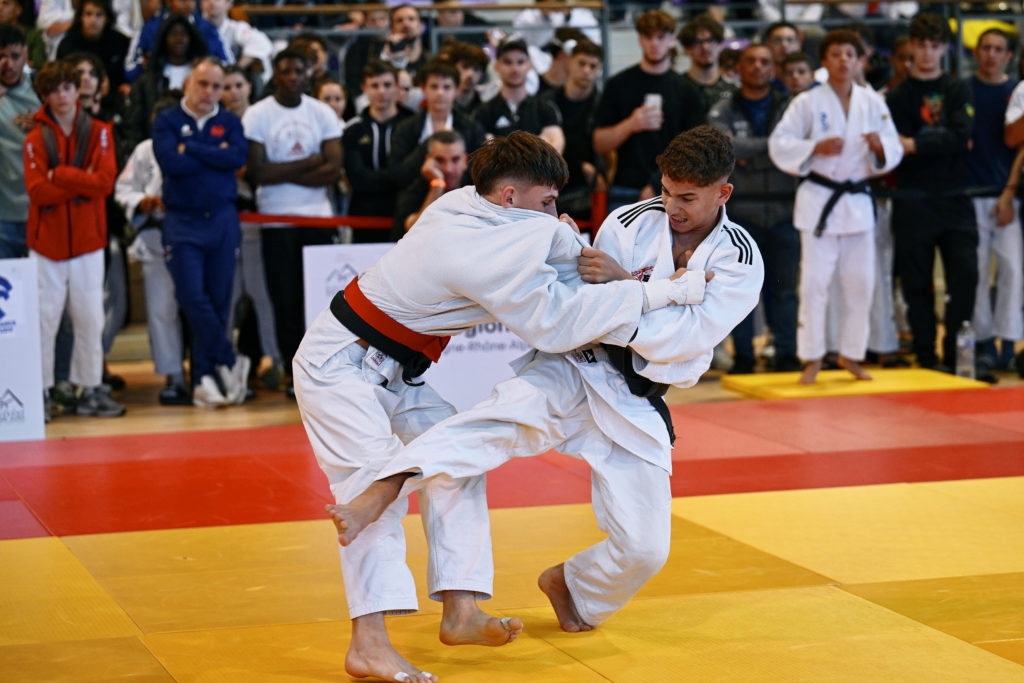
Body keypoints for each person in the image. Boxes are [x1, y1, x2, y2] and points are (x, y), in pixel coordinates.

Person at [292, 130, 707, 683]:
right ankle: (368, 645)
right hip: (338, 366)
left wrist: (563, 239)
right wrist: (665, 290)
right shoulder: (474, 242)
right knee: (369, 494)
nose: (554, 213)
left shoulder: (470, 205)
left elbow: (554, 257)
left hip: (397, 370)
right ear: (510, 196)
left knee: (457, 465)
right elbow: (556, 323)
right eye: (547, 201)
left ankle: (460, 610)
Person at [769, 29, 903, 383]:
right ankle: (813, 356)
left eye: (850, 54)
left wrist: (879, 147)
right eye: (836, 54)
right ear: (824, 61)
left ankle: (851, 353)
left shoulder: (872, 102)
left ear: (859, 61)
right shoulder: (807, 102)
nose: (844, 60)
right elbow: (779, 143)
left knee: (861, 283)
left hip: (856, 202)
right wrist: (814, 147)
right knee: (815, 284)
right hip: (820, 202)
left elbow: (893, 146)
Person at [24, 59, 123, 419]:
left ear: (77, 90)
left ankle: (91, 388)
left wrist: (62, 174)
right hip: (46, 244)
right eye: (53, 90)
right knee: (44, 319)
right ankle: (40, 392)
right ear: (44, 96)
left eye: (67, 88)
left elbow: (105, 183)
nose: (62, 96)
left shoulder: (99, 131)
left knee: (90, 318)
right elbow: (38, 192)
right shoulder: (35, 138)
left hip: (87, 241)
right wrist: (82, 182)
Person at [242, 48, 342, 396]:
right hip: (275, 220)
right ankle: (291, 371)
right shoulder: (258, 114)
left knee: (318, 301)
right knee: (283, 299)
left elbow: (333, 169)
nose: (292, 77)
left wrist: (281, 172)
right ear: (276, 75)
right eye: (285, 71)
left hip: (317, 218)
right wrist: (309, 162)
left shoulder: (321, 112)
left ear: (307, 75)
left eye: (298, 71)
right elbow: (256, 172)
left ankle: (322, 370)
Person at [152, 56, 249, 406]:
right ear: (188, 84)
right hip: (183, 222)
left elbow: (236, 159)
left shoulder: (229, 121)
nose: (209, 92)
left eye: (217, 86)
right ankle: (229, 360)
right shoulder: (166, 120)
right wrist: (213, 155)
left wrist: (191, 148)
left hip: (222, 220)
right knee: (192, 298)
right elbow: (170, 163)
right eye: (203, 84)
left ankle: (205, 380)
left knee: (219, 301)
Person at [887, 12, 977, 372]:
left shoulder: (958, 89)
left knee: (965, 276)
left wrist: (915, 144)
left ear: (944, 48)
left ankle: (957, 357)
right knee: (916, 282)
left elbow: (961, 136)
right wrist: (930, 143)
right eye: (921, 45)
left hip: (955, 196)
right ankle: (925, 356)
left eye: (934, 45)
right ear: (911, 46)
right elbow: (895, 145)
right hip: (913, 198)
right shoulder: (898, 95)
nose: (927, 52)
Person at [709, 43, 801, 374]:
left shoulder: (791, 107)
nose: (758, 67)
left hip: (785, 207)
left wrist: (749, 153)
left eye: (765, 61)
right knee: (741, 290)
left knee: (785, 289)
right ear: (739, 67)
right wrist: (775, 149)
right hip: (742, 211)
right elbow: (723, 149)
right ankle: (744, 355)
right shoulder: (723, 108)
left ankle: (787, 352)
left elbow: (797, 147)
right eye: (751, 61)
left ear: (773, 68)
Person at [115, 93, 191, 405]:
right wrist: (141, 202)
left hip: (192, 238)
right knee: (161, 311)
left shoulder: (194, 145)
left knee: (200, 308)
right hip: (155, 239)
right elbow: (124, 188)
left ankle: (206, 370)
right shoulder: (143, 150)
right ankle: (174, 377)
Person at [592, 10, 703, 208]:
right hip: (626, 186)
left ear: (672, 40)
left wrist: (655, 182)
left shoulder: (687, 90)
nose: (654, 43)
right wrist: (631, 124)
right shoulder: (618, 84)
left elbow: (695, 149)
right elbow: (599, 143)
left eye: (660, 37)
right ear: (640, 39)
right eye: (648, 37)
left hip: (673, 188)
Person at [967, 28, 1021, 371]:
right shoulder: (963, 89)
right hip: (970, 191)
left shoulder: (1015, 92)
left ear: (1008, 56)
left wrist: (1009, 191)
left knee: (1013, 269)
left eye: (998, 49)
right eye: (985, 48)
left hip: (1007, 194)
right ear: (976, 52)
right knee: (976, 270)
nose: (991, 54)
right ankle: (984, 341)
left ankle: (1010, 341)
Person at [343, 59, 414, 243]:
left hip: (406, 213)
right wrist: (397, 177)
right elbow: (357, 178)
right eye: (374, 85)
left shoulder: (413, 125)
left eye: (387, 85)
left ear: (397, 87)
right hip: (364, 215)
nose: (381, 91)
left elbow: (413, 174)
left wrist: (398, 177)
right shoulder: (353, 129)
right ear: (364, 88)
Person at [389, 59, 485, 188]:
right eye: (434, 87)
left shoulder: (472, 128)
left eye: (447, 87)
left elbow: (480, 173)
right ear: (423, 89)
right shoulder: (405, 128)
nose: (440, 93)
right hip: (416, 196)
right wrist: (430, 143)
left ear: (457, 90)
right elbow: (397, 175)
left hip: (461, 195)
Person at [537, 38, 604, 219]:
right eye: (581, 63)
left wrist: (600, 173)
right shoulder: (546, 102)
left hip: (589, 186)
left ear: (599, 69)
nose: (586, 70)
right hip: (551, 178)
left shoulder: (602, 104)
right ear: (569, 62)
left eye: (593, 66)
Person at [473, 36, 564, 153]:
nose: (515, 69)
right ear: (496, 66)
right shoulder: (483, 113)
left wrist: (500, 149)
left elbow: (555, 149)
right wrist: (537, 148)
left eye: (520, 62)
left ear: (529, 65)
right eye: (507, 62)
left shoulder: (545, 109)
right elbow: (482, 153)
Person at [0, 25, 38, 259]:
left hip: (40, 212)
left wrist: (46, 126)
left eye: (14, 56)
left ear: (25, 54)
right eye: (1, 57)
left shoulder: (44, 89)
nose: (8, 65)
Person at [125, 0, 228, 83]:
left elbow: (227, 64)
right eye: (182, 0)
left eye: (192, 0)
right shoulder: (150, 27)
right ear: (169, 2)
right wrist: (143, 65)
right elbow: (130, 71)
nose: (188, 4)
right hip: (158, 86)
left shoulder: (207, 28)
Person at [393, 129, 467, 236]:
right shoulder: (414, 188)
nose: (448, 169)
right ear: (428, 160)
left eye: (455, 160)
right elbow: (412, 230)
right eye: (440, 160)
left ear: (465, 161)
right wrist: (437, 185)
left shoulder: (479, 188)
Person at [54, 0, 129, 94]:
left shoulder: (120, 42)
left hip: (114, 95)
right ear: (81, 17)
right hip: (76, 96)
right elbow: (60, 78)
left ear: (107, 18)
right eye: (88, 14)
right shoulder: (67, 44)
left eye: (99, 15)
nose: (93, 20)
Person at [678, 12, 736, 116]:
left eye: (710, 40)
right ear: (687, 49)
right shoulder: (677, 88)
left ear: (719, 44)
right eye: (697, 42)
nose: (705, 47)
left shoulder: (733, 90)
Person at [0, 0, 44, 69]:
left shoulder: (32, 35)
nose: (0, 7)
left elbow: (38, 66)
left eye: (6, 3)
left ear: (18, 10)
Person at [762, 21, 801, 92]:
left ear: (798, 45)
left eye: (790, 40)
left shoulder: (812, 86)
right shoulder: (758, 84)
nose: (784, 45)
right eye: (778, 40)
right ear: (767, 44)